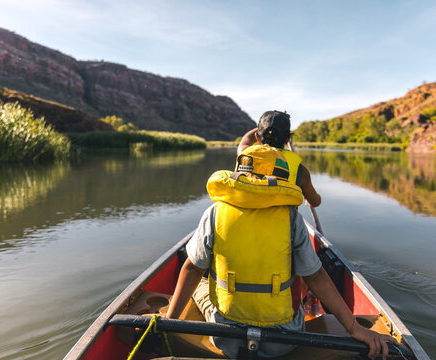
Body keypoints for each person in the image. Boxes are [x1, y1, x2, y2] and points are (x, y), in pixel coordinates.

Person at [166, 144, 398, 359]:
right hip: (282, 341)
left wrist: (170, 323)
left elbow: (192, 268)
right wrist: (354, 328)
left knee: (199, 280)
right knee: (301, 276)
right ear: (279, 177)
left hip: (227, 339)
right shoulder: (291, 219)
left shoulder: (214, 213)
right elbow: (316, 277)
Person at [238, 110, 321, 207]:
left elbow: (245, 141)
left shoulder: (245, 156)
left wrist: (265, 126)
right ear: (288, 139)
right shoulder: (300, 171)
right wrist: (277, 125)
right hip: (279, 222)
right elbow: (315, 202)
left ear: (257, 137)